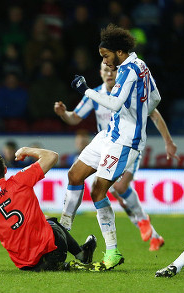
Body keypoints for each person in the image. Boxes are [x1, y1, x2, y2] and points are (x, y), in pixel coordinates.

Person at [64, 23, 162, 269]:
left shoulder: (129, 70)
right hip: (109, 134)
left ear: (119, 52)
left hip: (125, 141)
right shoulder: (141, 66)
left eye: (106, 56)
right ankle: (64, 230)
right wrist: (140, 114)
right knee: (74, 175)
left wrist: (86, 90)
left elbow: (115, 103)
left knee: (98, 190)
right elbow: (156, 97)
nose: (105, 62)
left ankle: (112, 251)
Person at [54, 62, 178, 251]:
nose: (109, 74)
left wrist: (168, 142)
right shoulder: (95, 95)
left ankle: (141, 223)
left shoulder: (129, 91)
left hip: (127, 146)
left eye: (112, 70)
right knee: (106, 191)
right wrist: (63, 114)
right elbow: (74, 118)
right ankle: (152, 234)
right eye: (105, 70)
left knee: (118, 187)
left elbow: (154, 114)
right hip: (104, 147)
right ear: (100, 73)